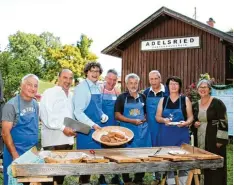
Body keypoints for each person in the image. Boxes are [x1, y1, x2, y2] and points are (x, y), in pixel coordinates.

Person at [73, 62, 108, 184]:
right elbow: (78, 112)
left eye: (97, 71)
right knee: (85, 161)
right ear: (87, 72)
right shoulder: (81, 88)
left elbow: (98, 107)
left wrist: (102, 115)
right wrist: (92, 124)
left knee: (97, 157)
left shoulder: (98, 86)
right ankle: (84, 182)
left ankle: (99, 179)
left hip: (97, 128)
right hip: (85, 129)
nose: (95, 73)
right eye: (92, 70)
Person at [1, 74, 39, 185]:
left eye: (35, 86)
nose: (33, 88)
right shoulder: (11, 105)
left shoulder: (35, 104)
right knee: (13, 181)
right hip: (16, 153)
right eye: (29, 85)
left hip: (31, 154)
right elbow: (5, 133)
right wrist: (14, 155)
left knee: (31, 182)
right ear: (21, 85)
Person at [40, 69, 76, 184]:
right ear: (59, 77)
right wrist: (62, 128)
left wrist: (75, 128)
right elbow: (45, 116)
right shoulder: (49, 93)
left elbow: (71, 116)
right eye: (65, 77)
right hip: (53, 141)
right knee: (50, 176)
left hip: (67, 140)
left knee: (61, 175)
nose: (68, 81)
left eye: (70, 78)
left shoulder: (71, 95)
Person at [156, 76, 193, 185]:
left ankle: (183, 183)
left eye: (176, 84)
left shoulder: (185, 99)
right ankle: (170, 183)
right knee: (169, 163)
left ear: (179, 86)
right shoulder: (163, 100)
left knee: (183, 162)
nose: (173, 86)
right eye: (171, 84)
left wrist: (186, 123)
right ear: (168, 86)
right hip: (166, 136)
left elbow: (191, 117)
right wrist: (164, 120)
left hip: (181, 135)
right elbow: (157, 117)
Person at [115, 73, 151, 184]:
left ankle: (138, 179)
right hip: (127, 131)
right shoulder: (122, 97)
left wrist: (144, 119)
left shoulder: (143, 97)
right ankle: (126, 179)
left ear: (138, 84)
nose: (133, 85)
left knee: (142, 155)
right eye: (131, 83)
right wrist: (132, 121)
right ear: (126, 84)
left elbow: (146, 114)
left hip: (142, 132)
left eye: (135, 83)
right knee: (125, 156)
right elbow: (117, 115)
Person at [192, 79, 228, 185]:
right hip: (199, 139)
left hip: (214, 138)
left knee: (214, 165)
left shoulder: (217, 103)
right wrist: (194, 123)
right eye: (200, 87)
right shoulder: (195, 105)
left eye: (205, 87)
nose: (203, 89)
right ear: (197, 89)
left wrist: (220, 139)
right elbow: (192, 119)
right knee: (199, 163)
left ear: (209, 89)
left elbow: (223, 120)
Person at [143, 70, 167, 185]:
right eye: (151, 79)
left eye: (155, 79)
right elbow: (143, 111)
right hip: (151, 127)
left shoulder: (167, 91)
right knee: (154, 151)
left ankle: (167, 176)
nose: (153, 82)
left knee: (166, 149)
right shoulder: (146, 93)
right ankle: (156, 176)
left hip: (165, 126)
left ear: (160, 79)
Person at [99, 69, 122, 185]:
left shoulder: (117, 91)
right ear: (105, 78)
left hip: (113, 125)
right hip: (101, 125)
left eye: (114, 80)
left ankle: (116, 176)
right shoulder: (99, 90)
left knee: (115, 151)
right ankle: (101, 176)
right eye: (110, 79)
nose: (112, 82)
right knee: (101, 151)